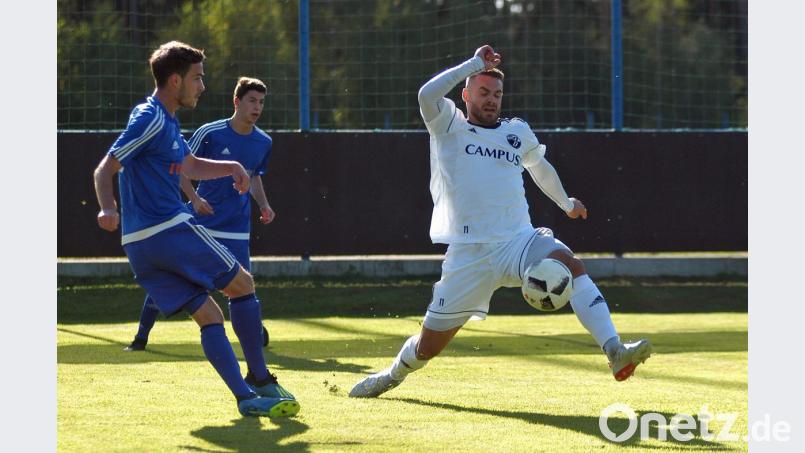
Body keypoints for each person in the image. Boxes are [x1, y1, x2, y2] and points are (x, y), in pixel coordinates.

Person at [349, 45, 652, 399]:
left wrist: (566, 203)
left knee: (570, 263)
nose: (491, 100)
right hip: (469, 254)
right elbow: (425, 94)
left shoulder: (516, 131)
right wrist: (473, 64)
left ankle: (614, 351)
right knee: (427, 348)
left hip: (518, 241)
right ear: (466, 95)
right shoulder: (448, 125)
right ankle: (391, 375)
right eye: (483, 92)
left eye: (497, 94)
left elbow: (540, 168)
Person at [93, 41, 299, 417]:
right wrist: (107, 207)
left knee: (209, 315)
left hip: (139, 247)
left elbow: (188, 166)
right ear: (175, 80)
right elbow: (106, 168)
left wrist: (232, 167)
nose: (202, 86)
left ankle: (246, 398)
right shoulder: (152, 118)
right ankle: (260, 378)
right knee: (243, 285)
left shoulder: (164, 120)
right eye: (197, 78)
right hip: (168, 230)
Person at [124, 77, 277, 359]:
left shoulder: (263, 141)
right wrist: (194, 199)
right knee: (173, 277)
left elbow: (254, 176)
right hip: (202, 222)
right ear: (237, 102)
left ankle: (254, 338)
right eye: (252, 101)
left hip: (237, 228)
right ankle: (141, 336)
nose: (257, 107)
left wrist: (264, 204)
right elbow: (183, 166)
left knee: (243, 286)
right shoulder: (210, 132)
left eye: (261, 102)